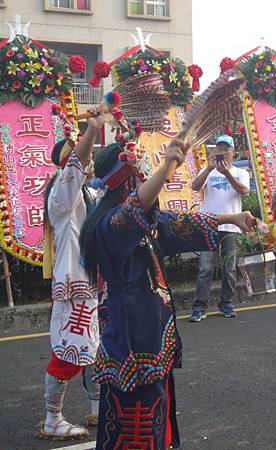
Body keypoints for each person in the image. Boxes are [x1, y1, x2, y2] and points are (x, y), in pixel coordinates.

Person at [79, 138, 255, 449]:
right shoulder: (109, 225)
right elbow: (132, 212)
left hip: (150, 339)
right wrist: (166, 168)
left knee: (155, 422)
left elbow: (182, 223)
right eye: (138, 176)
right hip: (131, 345)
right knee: (135, 428)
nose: (144, 181)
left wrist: (233, 219)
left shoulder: (144, 222)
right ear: (126, 180)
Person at [37, 109, 104, 441]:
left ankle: (97, 407)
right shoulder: (62, 192)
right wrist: (92, 131)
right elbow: (78, 164)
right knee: (69, 350)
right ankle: (53, 418)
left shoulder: (85, 192)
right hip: (73, 285)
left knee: (93, 346)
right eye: (82, 157)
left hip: (90, 283)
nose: (88, 162)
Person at [189, 134, 250, 321]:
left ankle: (226, 303)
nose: (222, 151)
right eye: (219, 148)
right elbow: (195, 186)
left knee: (229, 268)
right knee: (205, 268)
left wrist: (227, 174)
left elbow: (243, 191)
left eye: (226, 148)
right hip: (209, 225)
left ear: (233, 151)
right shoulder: (208, 171)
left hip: (232, 226)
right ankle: (199, 307)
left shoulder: (241, 172)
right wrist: (209, 168)